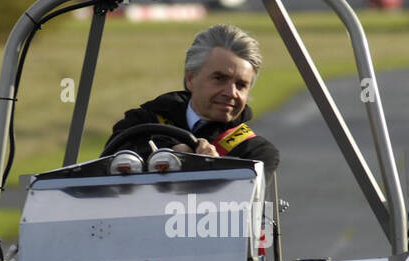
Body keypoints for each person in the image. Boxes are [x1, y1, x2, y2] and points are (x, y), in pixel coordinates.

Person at [104, 24, 280, 172]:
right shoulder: (141, 122)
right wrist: (169, 150)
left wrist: (215, 167)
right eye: (219, 79)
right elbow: (105, 164)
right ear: (190, 79)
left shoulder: (255, 153)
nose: (231, 93)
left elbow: (241, 207)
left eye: (241, 85)